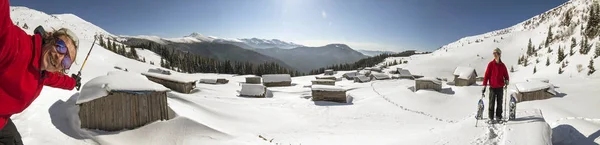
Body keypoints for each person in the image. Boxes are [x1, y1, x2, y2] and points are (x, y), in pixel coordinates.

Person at [0, 0, 82, 144]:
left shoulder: (44, 72)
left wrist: (73, 82)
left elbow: (60, 80)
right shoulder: (19, 47)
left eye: (66, 61)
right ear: (49, 38)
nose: (59, 57)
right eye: (61, 47)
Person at [482, 48, 509, 122]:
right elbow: (487, 75)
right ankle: (491, 117)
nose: (494, 55)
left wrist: (506, 80)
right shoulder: (491, 64)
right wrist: (484, 85)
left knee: (499, 103)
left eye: (496, 53)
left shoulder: (502, 65)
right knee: (491, 103)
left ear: (499, 54)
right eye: (493, 53)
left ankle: (498, 117)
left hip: (500, 87)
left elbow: (506, 75)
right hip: (492, 87)